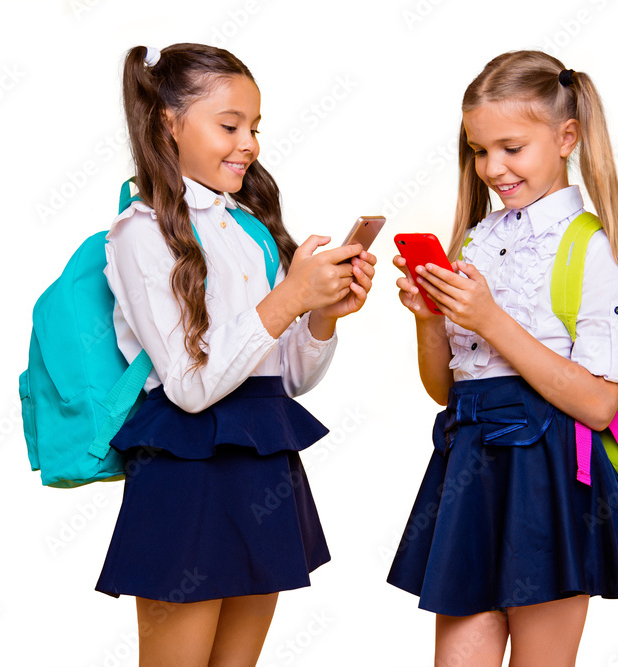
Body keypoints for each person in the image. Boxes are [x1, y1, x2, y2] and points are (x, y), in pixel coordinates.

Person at [94, 43, 376, 666]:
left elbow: (290, 377)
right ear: (169, 124)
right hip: (186, 474)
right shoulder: (140, 234)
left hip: (262, 462)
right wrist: (290, 297)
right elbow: (190, 387)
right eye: (229, 126)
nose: (248, 143)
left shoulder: (250, 230)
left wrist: (323, 314)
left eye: (254, 128)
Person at [386, 50, 618, 667]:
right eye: (481, 151)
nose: (492, 168)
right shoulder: (479, 241)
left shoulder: (589, 250)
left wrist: (490, 318)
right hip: (470, 463)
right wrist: (430, 318)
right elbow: (445, 389)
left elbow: (597, 403)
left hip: (549, 472)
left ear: (567, 138)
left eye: (512, 147)